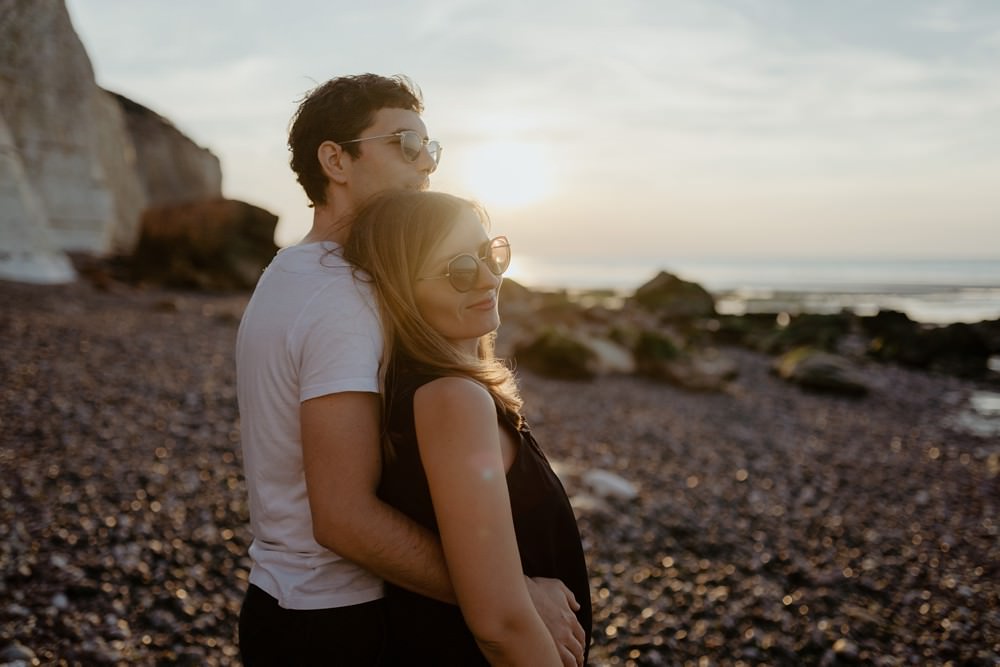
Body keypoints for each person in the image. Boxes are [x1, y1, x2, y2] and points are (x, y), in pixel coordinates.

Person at [235, 73, 586, 666]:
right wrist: (511, 595)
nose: (425, 165)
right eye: (404, 144)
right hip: (332, 624)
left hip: (293, 604)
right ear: (335, 160)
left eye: (431, 148)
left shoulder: (299, 274)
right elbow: (343, 518)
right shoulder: (340, 300)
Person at [342, 189, 592, 665]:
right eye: (459, 270)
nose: (489, 278)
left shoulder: (442, 392)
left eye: (489, 254)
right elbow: (499, 624)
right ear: (402, 289)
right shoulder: (452, 401)